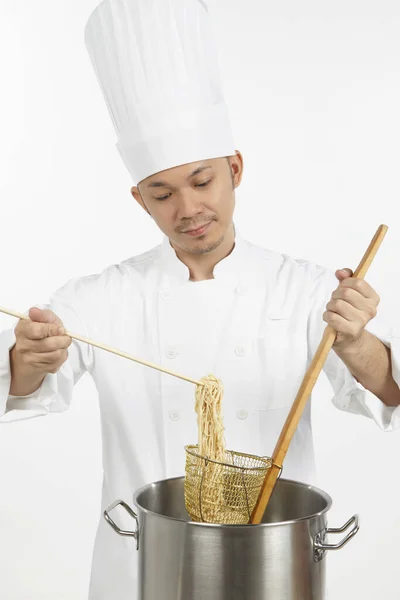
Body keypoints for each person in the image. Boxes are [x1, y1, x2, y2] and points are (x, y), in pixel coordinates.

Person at [1, 0, 400, 598]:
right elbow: (23, 394)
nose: (187, 210)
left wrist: (357, 342)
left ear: (235, 169)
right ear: (139, 199)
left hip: (274, 568)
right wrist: (25, 363)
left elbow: (390, 394)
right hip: (140, 564)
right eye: (162, 193)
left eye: (202, 181)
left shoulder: (308, 289)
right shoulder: (96, 299)